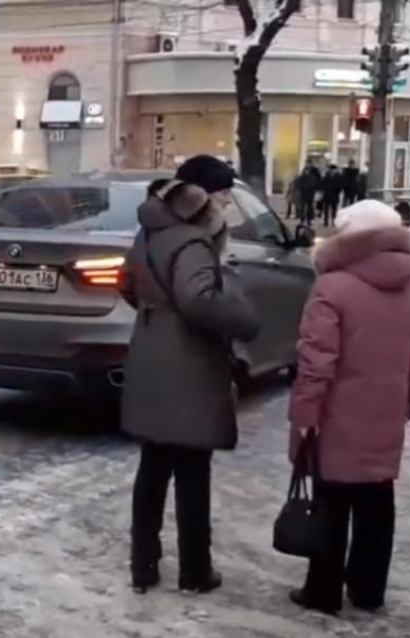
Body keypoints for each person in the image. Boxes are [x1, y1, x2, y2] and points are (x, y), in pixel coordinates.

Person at [120, 155, 259, 595]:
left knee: (154, 466)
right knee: (193, 469)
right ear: (201, 197)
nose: (225, 204)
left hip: (149, 354)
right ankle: (195, 571)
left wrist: (155, 317)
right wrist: (241, 313)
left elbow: (126, 283)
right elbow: (199, 300)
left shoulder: (151, 231)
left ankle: (143, 566)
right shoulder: (194, 242)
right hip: (190, 363)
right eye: (221, 195)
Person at [287, 200, 410, 615]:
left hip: (336, 415)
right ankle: (368, 591)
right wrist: (406, 402)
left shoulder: (332, 287)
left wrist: (305, 416)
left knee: (331, 500)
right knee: (377, 502)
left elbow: (316, 361)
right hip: (386, 414)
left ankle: (322, 592)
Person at [298, 160, 322, 227]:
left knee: (309, 207)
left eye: (309, 163)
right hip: (304, 192)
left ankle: (309, 219)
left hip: (310, 192)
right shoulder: (303, 174)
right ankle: (302, 219)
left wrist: (317, 190)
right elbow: (299, 182)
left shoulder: (314, 172)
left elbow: (318, 181)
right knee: (303, 206)